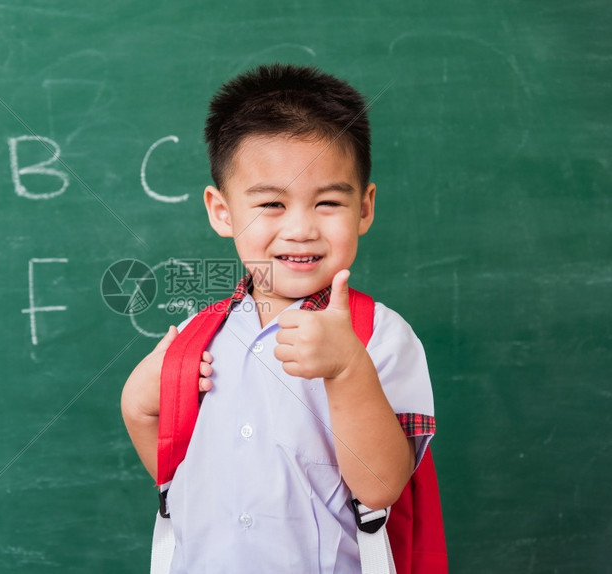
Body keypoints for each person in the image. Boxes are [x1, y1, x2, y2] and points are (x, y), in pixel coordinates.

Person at [121, 63, 435, 572]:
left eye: (328, 201)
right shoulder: (203, 337)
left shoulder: (379, 336)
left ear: (365, 208)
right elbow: (175, 478)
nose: (300, 228)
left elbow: (382, 486)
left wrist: (348, 370)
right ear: (221, 212)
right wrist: (139, 407)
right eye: (271, 203)